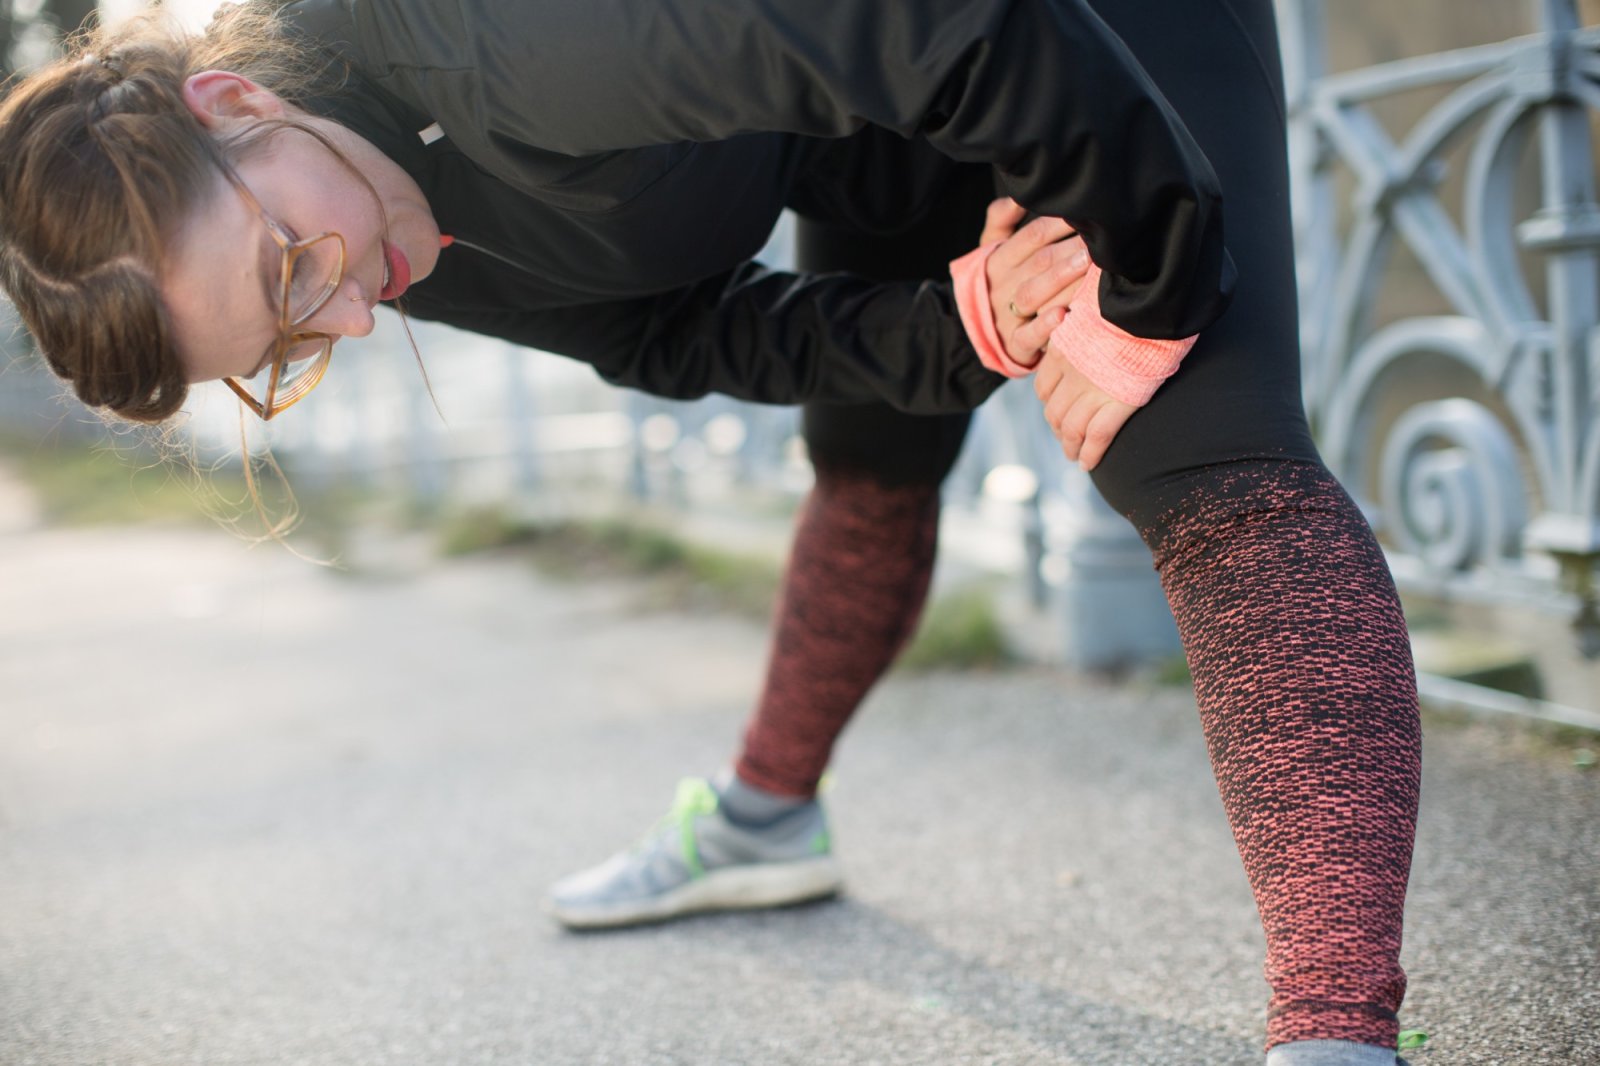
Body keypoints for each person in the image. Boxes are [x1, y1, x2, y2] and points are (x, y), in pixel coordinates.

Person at [0, 2, 1421, 1063]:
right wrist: (957, 330)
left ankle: (1335, 1019)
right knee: (869, 452)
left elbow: (946, 18)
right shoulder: (362, 207)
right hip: (862, 100)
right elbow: (671, 328)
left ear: (236, 95)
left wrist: (1148, 285)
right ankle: (766, 815)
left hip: (1040, 25)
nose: (349, 313)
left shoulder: (501, 42)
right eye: (286, 341)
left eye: (291, 268)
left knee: (1204, 467)